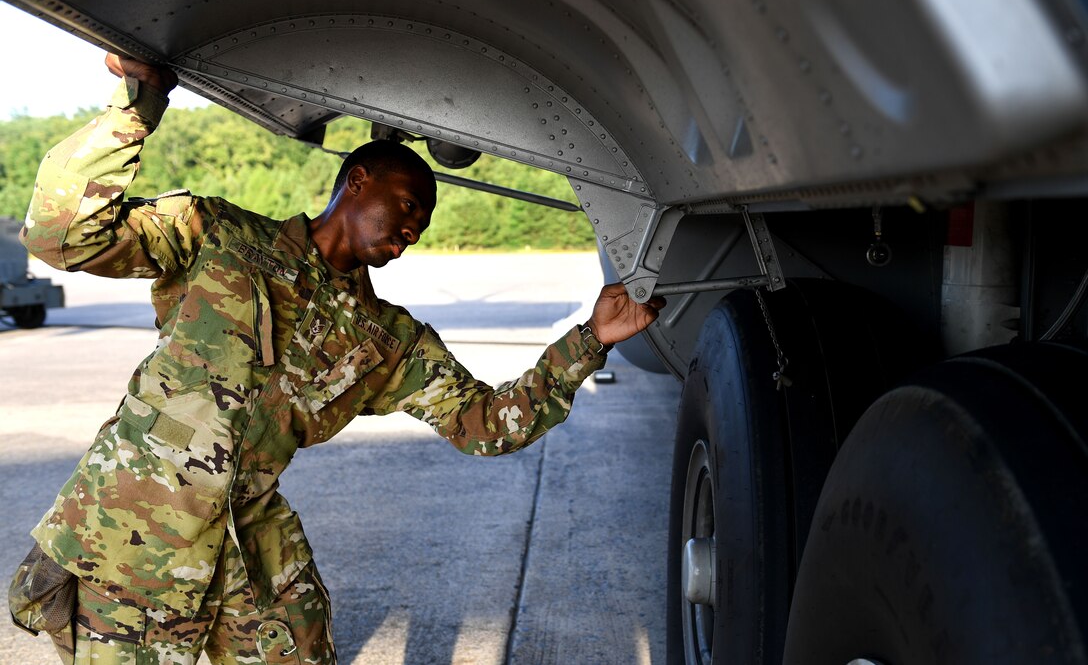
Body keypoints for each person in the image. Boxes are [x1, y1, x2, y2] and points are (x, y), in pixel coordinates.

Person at [9, 53, 665, 664]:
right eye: (408, 205)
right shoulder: (219, 236)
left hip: (251, 545)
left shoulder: (388, 340)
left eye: (422, 224)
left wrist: (591, 339)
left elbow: (488, 425)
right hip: (131, 527)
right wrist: (138, 104)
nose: (413, 229)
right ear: (357, 180)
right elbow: (62, 233)